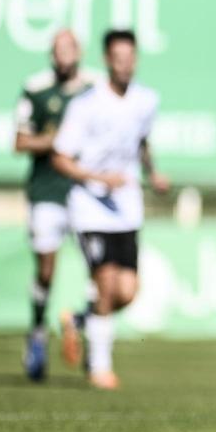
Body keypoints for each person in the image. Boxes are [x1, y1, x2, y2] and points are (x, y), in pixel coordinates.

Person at [52, 29, 168, 390]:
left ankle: (79, 321)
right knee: (104, 286)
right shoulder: (86, 105)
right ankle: (99, 366)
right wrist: (95, 178)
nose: (124, 64)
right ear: (106, 60)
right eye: (117, 58)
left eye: (130, 57)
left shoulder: (146, 100)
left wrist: (153, 174)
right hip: (89, 208)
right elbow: (60, 157)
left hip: (126, 208)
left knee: (127, 292)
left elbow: (142, 141)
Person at [14, 29, 96, 381]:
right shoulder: (35, 88)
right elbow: (20, 141)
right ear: (51, 54)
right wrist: (56, 141)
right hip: (47, 191)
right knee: (46, 270)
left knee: (99, 271)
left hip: (86, 193)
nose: (64, 54)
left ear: (79, 51)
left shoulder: (96, 88)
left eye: (70, 47)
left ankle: (94, 342)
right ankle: (36, 334)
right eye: (58, 48)